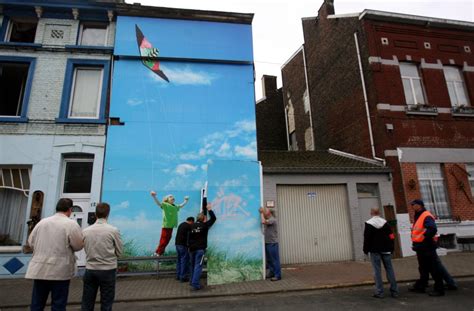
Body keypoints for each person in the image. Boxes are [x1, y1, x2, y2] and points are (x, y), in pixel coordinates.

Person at [25, 198, 84, 311]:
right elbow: (78, 245)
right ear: (70, 210)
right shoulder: (71, 224)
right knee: (58, 304)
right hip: (60, 271)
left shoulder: (42, 222)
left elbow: (31, 242)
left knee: (37, 303)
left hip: (40, 269)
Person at [81, 202, 123, 311]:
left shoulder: (85, 231)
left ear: (95, 214)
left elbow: (82, 247)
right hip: (108, 270)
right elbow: (119, 251)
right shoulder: (113, 230)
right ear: (108, 214)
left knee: (87, 303)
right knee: (106, 303)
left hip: (90, 269)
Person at [409, 199, 445, 296]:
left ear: (419, 205)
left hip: (427, 246)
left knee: (433, 268)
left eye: (413, 204)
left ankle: (439, 289)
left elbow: (432, 229)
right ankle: (421, 286)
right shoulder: (418, 215)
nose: (412, 206)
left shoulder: (426, 215)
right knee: (423, 268)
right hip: (420, 247)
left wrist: (424, 240)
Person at [363, 207, 399, 298]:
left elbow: (367, 238)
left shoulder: (369, 224)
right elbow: (391, 236)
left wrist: (365, 250)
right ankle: (394, 291)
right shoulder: (385, 223)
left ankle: (379, 292)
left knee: (377, 271)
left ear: (371, 213)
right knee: (389, 269)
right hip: (386, 249)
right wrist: (391, 247)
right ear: (379, 213)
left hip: (375, 250)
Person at [150, 191, 189, 256]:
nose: (172, 197)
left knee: (167, 240)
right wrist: (154, 196)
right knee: (163, 240)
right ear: (166, 199)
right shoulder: (165, 205)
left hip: (171, 226)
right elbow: (158, 203)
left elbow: (181, 205)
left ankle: (160, 253)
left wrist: (186, 201)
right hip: (166, 226)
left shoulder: (175, 206)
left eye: (173, 197)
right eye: (170, 197)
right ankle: (157, 252)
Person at [188, 204, 216, 291]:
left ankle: (192, 281)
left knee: (192, 266)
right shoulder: (204, 226)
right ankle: (195, 284)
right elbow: (214, 218)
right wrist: (209, 209)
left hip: (192, 249)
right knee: (198, 266)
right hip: (200, 249)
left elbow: (188, 238)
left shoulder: (191, 226)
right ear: (204, 219)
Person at [259, 207, 281, 281]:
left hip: (273, 243)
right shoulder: (269, 219)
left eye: (265, 210)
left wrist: (261, 213)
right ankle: (272, 273)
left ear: (269, 213)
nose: (264, 211)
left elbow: (263, 221)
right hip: (268, 242)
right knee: (269, 260)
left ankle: (278, 275)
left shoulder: (272, 219)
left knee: (275, 260)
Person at [175, 217, 195, 282]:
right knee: (184, 261)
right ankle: (183, 277)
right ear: (191, 221)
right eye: (193, 223)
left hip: (177, 244)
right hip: (183, 245)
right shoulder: (188, 226)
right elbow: (191, 236)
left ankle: (178, 275)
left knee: (179, 260)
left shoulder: (181, 224)